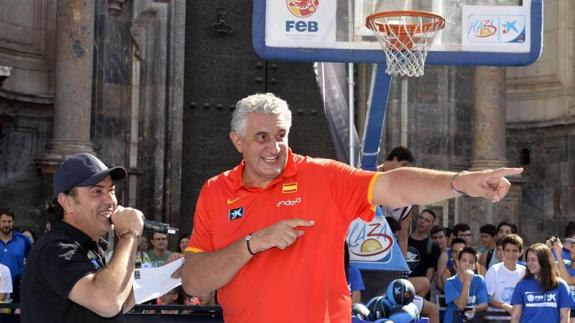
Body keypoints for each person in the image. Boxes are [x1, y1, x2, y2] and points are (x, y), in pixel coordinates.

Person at [180, 93, 523, 323]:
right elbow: (194, 282)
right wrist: (253, 243)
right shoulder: (216, 191)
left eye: (281, 136)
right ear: (237, 141)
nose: (274, 147)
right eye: (261, 137)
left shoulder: (322, 177)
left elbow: (393, 184)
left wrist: (460, 181)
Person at [21, 152, 144, 323]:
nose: (110, 201)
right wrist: (129, 235)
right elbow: (107, 302)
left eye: (111, 190)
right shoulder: (55, 248)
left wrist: (166, 277)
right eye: (97, 192)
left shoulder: (88, 245)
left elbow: (118, 300)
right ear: (67, 202)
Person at [510, 243, 571, 323]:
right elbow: (515, 317)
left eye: (533, 260)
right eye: (528, 260)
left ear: (544, 261)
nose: (529, 263)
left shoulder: (561, 286)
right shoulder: (521, 285)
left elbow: (564, 318)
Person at [377, 146, 415, 255]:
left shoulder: (405, 201)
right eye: (403, 165)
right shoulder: (370, 174)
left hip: (388, 252)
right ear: (394, 159)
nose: (404, 170)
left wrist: (402, 269)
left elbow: (403, 237)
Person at [444, 247, 489, 323]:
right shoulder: (450, 282)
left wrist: (475, 309)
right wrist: (467, 281)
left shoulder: (479, 280)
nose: (467, 264)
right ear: (458, 262)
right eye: (464, 260)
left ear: (475, 266)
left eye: (471, 262)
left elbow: (484, 303)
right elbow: (461, 306)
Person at [485, 234, 526, 317]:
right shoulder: (494, 270)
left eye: (514, 251)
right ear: (503, 252)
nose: (511, 254)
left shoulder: (525, 272)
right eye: (507, 250)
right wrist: (505, 306)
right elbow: (486, 298)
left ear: (521, 252)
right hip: (497, 320)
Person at [0, 208, 32, 306]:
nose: (6, 224)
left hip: (18, 290)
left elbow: (32, 260)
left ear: (13, 222)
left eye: (9, 221)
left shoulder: (23, 240)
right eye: (3, 221)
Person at [407, 209, 441, 298]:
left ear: (431, 225)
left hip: (420, 294)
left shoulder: (433, 247)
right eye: (421, 218)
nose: (422, 221)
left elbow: (429, 276)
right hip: (401, 287)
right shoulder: (404, 240)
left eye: (427, 220)